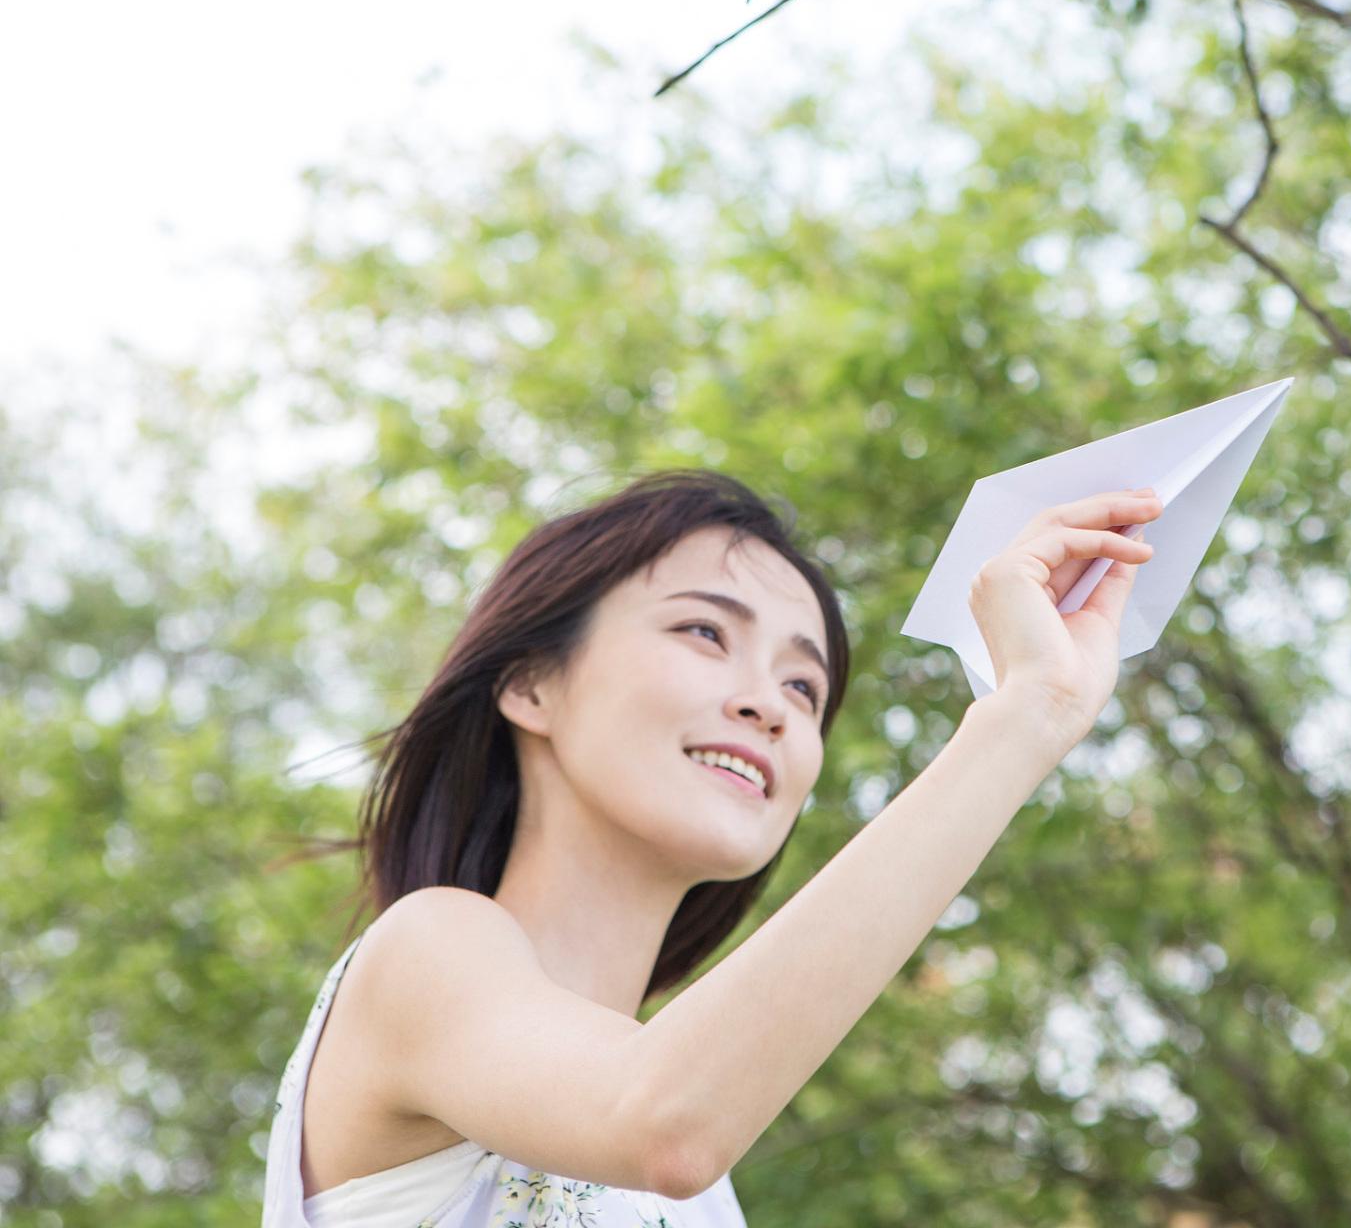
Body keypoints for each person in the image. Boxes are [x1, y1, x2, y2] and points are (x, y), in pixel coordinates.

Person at [259, 467, 1160, 1227]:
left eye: (804, 687)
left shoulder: (702, 1190)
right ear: (531, 683)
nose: (767, 703)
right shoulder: (425, 952)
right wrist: (1026, 711)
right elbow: (665, 1123)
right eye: (704, 631)